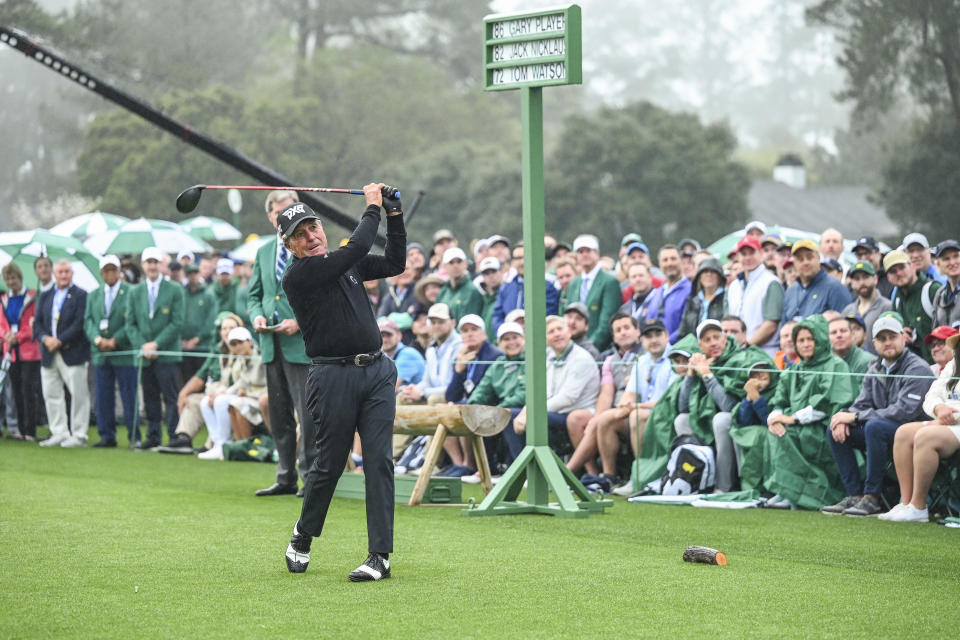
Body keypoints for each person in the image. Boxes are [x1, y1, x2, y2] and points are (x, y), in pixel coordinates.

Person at [279, 183, 405, 582]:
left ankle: (379, 556)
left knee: (380, 462)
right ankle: (303, 535)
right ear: (291, 247)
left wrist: (395, 215)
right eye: (299, 235)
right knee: (330, 465)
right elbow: (356, 248)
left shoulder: (343, 261)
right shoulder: (300, 276)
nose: (311, 237)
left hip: (377, 372)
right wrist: (373, 207)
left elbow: (396, 261)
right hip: (331, 376)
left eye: (313, 228)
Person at [822, 312, 934, 516]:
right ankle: (855, 495)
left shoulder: (918, 367)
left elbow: (904, 412)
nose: (888, 342)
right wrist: (843, 416)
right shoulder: (874, 367)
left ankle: (872, 498)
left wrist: (855, 417)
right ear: (874, 343)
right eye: (882, 339)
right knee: (836, 428)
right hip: (886, 429)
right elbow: (862, 403)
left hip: (914, 431)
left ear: (903, 337)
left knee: (874, 426)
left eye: (892, 337)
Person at [248, 189, 316, 498]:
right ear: (270, 216)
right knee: (279, 415)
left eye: (292, 209)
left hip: (300, 344)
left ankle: (312, 477)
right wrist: (257, 316)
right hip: (270, 343)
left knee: (308, 414)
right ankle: (285, 475)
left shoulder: (307, 246)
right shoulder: (262, 251)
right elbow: (254, 295)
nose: (286, 217)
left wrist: (299, 322)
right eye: (280, 213)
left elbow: (321, 297)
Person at [765, 315, 855, 509]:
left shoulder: (836, 365)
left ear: (820, 340)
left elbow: (827, 404)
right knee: (776, 431)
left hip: (822, 426)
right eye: (801, 340)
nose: (805, 344)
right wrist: (775, 419)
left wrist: (791, 419)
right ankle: (785, 490)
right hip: (795, 423)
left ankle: (797, 495)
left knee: (789, 434)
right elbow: (778, 400)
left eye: (810, 339)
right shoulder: (794, 369)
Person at [673, 320, 766, 493]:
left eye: (717, 337)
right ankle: (695, 479)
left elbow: (730, 407)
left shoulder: (740, 358)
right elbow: (683, 408)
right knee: (682, 420)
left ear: (725, 339)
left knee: (721, 419)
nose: (713, 343)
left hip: (743, 420)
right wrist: (691, 374)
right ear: (700, 345)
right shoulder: (703, 361)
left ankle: (723, 486)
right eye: (707, 340)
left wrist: (707, 375)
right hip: (708, 419)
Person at [881, 331, 960, 522]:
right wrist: (939, 408)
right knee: (904, 432)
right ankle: (906, 502)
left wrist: (951, 416)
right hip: (943, 421)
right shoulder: (953, 365)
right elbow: (931, 396)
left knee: (926, 436)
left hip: (954, 424)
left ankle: (919, 506)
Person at [508, 316, 600, 462]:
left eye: (560, 329)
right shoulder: (549, 357)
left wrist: (531, 412)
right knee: (512, 415)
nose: (556, 334)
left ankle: (548, 468)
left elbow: (568, 398)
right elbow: (541, 391)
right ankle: (523, 468)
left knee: (536, 419)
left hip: (575, 413)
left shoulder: (581, 358)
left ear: (569, 332)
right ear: (546, 338)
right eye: (551, 331)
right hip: (555, 412)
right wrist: (526, 410)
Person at [564, 312, 643, 481]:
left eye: (627, 328)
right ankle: (592, 474)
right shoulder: (609, 360)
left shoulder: (646, 354)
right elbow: (607, 393)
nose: (623, 332)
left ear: (638, 331)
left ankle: (601, 475)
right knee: (576, 418)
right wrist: (597, 417)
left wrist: (602, 417)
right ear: (614, 337)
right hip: (616, 411)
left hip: (638, 409)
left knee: (604, 420)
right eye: (618, 330)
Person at [127, 247, 184, 449]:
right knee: (150, 397)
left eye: (155, 262)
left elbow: (177, 322)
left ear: (161, 265)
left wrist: (156, 344)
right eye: (148, 262)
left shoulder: (175, 289)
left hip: (166, 354)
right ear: (143, 265)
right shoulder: (135, 292)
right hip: (145, 354)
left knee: (170, 397)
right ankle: (153, 436)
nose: (152, 266)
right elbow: (130, 324)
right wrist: (143, 345)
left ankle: (174, 435)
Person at [160, 313, 241, 454]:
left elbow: (245, 381)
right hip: (213, 392)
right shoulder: (218, 349)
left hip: (233, 393)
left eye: (231, 328)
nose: (227, 332)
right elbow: (201, 375)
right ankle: (183, 438)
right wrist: (183, 393)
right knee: (192, 400)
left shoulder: (246, 348)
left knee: (218, 402)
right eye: (224, 328)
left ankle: (215, 444)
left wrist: (222, 392)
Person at [34, 259, 90, 448]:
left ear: (72, 274)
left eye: (67, 272)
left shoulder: (80, 295)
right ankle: (59, 432)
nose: (64, 275)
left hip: (72, 352)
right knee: (51, 394)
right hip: (49, 353)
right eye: (60, 272)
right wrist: (45, 339)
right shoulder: (46, 295)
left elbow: (79, 322)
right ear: (54, 275)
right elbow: (38, 323)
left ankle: (79, 434)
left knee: (78, 394)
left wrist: (60, 340)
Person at [84, 255, 138, 447]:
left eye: (113, 270)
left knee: (129, 395)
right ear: (101, 273)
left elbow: (132, 320)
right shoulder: (94, 294)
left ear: (119, 271)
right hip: (100, 352)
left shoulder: (131, 292)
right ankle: (107, 435)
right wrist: (98, 339)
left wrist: (116, 340)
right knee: (103, 395)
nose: (110, 274)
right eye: (106, 270)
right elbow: (88, 321)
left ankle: (134, 436)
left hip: (123, 351)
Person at [440, 314, 503, 477]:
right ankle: (459, 463)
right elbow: (450, 395)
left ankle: (469, 463)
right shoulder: (464, 355)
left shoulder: (494, 355)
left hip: (490, 405)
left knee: (464, 408)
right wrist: (459, 369)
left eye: (474, 330)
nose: (469, 334)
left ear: (484, 334)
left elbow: (488, 392)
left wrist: (461, 402)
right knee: (443, 410)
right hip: (470, 403)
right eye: (465, 331)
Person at [197, 326, 267, 461]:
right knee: (208, 401)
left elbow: (270, 385)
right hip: (247, 396)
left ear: (249, 341)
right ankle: (223, 444)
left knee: (232, 403)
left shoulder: (261, 358)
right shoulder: (242, 360)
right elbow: (241, 383)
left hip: (260, 398)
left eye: (240, 342)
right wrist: (222, 392)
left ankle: (240, 445)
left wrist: (248, 394)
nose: (237, 346)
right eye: (233, 344)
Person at [465, 321, 527, 469]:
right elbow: (483, 389)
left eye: (515, 337)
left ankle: (520, 469)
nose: (511, 342)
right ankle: (484, 469)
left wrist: (498, 409)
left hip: (524, 408)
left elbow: (524, 394)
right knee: (477, 413)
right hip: (505, 408)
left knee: (505, 414)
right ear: (499, 343)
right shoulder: (498, 364)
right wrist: (471, 405)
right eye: (506, 339)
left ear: (523, 339)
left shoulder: (529, 360)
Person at [0, 263, 42, 441]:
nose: (11, 282)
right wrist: (6, 335)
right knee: (15, 390)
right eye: (8, 279)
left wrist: (19, 336)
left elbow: (33, 323)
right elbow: (2, 323)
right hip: (11, 350)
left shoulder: (32, 297)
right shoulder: (4, 299)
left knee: (28, 389)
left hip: (28, 350)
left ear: (20, 278)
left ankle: (30, 430)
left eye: (13, 278)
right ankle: (19, 428)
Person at [563, 234, 622, 351]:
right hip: (573, 348)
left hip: (599, 349)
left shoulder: (609, 281)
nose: (584, 254)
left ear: (597, 253)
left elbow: (607, 321)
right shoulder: (574, 283)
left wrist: (590, 347)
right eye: (580, 252)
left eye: (588, 251)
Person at [398, 303, 461, 405]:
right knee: (403, 397)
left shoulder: (459, 346)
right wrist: (414, 389)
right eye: (433, 322)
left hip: (453, 398)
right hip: (432, 394)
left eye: (441, 322)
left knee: (434, 400)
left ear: (453, 323)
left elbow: (455, 388)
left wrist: (422, 392)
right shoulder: (431, 349)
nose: (436, 326)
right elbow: (427, 381)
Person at [490, 242, 559, 335]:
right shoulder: (505, 288)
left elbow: (548, 315)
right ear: (512, 262)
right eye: (517, 258)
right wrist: (507, 333)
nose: (522, 262)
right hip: (510, 341)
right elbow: (497, 317)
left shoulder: (546, 287)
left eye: (525, 257)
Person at [886, 249, 941, 363]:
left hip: (938, 366)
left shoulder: (932, 290)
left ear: (913, 267)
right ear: (888, 278)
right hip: (912, 368)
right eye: (892, 271)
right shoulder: (896, 297)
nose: (899, 273)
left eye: (902, 267)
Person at [781, 240, 852, 326]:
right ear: (795, 263)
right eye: (800, 259)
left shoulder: (835, 288)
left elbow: (845, 327)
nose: (805, 262)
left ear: (818, 258)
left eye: (809, 257)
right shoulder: (791, 291)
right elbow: (783, 327)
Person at [643, 245, 692, 344]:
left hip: (678, 352)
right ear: (660, 264)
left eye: (673, 259)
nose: (669, 263)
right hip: (655, 352)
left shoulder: (691, 290)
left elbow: (686, 327)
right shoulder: (656, 293)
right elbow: (648, 323)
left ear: (681, 261)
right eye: (665, 260)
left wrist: (665, 344)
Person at [841, 260, 891, 354]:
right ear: (851, 283)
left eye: (866, 277)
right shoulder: (847, 311)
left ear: (875, 279)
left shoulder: (887, 307)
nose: (862, 282)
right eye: (857, 278)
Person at [180, 263, 218, 382]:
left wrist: (197, 339)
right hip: (184, 347)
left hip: (202, 347)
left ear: (199, 274)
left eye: (195, 273)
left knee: (201, 381)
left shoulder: (208, 294)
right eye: (189, 274)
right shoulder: (182, 294)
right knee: (186, 380)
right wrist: (181, 340)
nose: (192, 276)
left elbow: (211, 321)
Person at [677, 257, 725, 341]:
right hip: (693, 348)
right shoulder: (692, 301)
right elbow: (682, 331)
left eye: (713, 271)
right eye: (705, 271)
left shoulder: (726, 298)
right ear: (699, 276)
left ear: (719, 276)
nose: (709, 274)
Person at [435, 247, 483, 323]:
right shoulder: (442, 292)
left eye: (459, 261)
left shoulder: (473, 291)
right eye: (451, 262)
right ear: (444, 266)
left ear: (466, 264)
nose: (455, 265)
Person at [827, 315, 874, 391]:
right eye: (833, 332)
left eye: (843, 331)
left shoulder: (867, 361)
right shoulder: (825, 362)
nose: (839, 335)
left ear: (852, 335)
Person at [379, 317, 424, 389]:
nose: (385, 340)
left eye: (389, 335)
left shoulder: (407, 354)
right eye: (382, 335)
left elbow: (391, 388)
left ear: (399, 335)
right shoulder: (385, 356)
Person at [931, 239, 960, 328]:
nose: (952, 262)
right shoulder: (940, 294)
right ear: (938, 265)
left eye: (956, 256)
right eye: (946, 259)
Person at [476, 257, 503, 343]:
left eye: (494, 272)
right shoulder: (483, 300)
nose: (491, 276)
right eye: (486, 273)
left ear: (501, 272)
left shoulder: (507, 295)